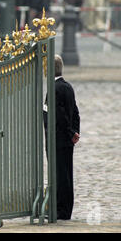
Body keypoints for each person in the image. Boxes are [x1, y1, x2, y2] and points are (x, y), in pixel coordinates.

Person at [43, 55, 80, 220]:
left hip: (57, 138)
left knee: (60, 175)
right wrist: (75, 132)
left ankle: (61, 210)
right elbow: (75, 112)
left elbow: (60, 115)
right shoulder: (67, 86)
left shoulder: (54, 88)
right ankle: (65, 208)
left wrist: (71, 132)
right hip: (67, 138)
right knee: (66, 174)